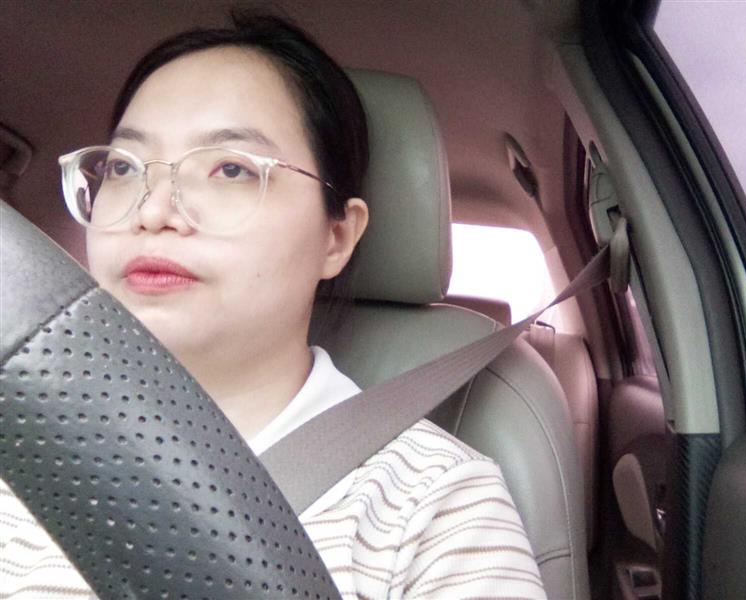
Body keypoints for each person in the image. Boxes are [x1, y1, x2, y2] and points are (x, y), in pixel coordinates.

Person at [0, 12, 546, 599]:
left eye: (231, 169)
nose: (151, 211)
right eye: (123, 168)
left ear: (336, 236)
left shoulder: (434, 503)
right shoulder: (20, 442)